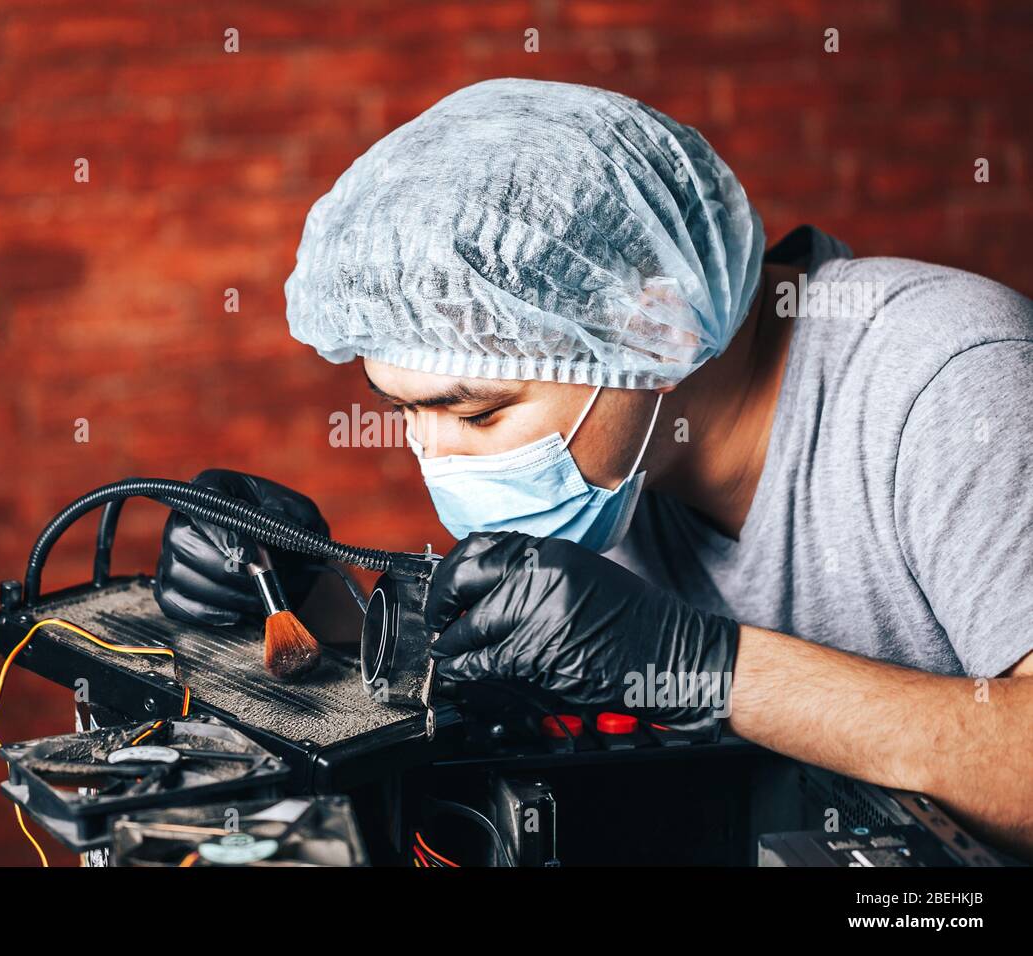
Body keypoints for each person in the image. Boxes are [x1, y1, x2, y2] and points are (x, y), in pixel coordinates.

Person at [156, 79, 1033, 856]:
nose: (435, 454)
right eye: (403, 411)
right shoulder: (613, 460)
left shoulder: (952, 383)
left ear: (655, 328)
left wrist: (705, 666)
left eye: (477, 412)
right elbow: (515, 677)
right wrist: (286, 589)